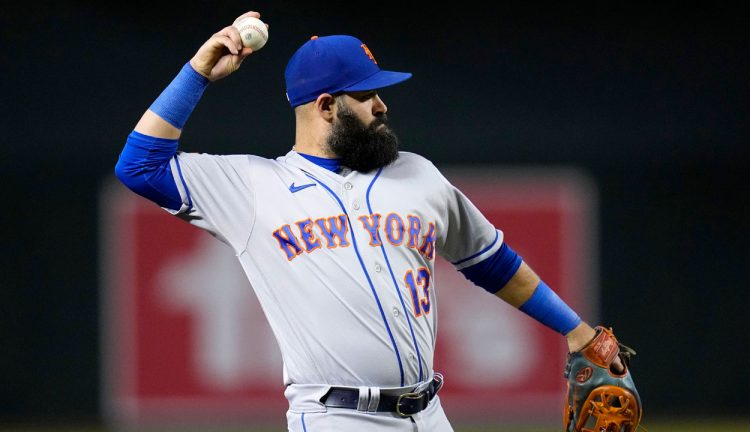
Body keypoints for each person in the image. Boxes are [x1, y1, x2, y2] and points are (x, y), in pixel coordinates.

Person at [115, 10, 619, 432]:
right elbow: (139, 167)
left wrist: (576, 331)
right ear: (327, 106)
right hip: (337, 418)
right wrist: (198, 72)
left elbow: (490, 261)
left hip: (431, 414)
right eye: (368, 95)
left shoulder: (417, 174)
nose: (383, 105)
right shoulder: (251, 188)